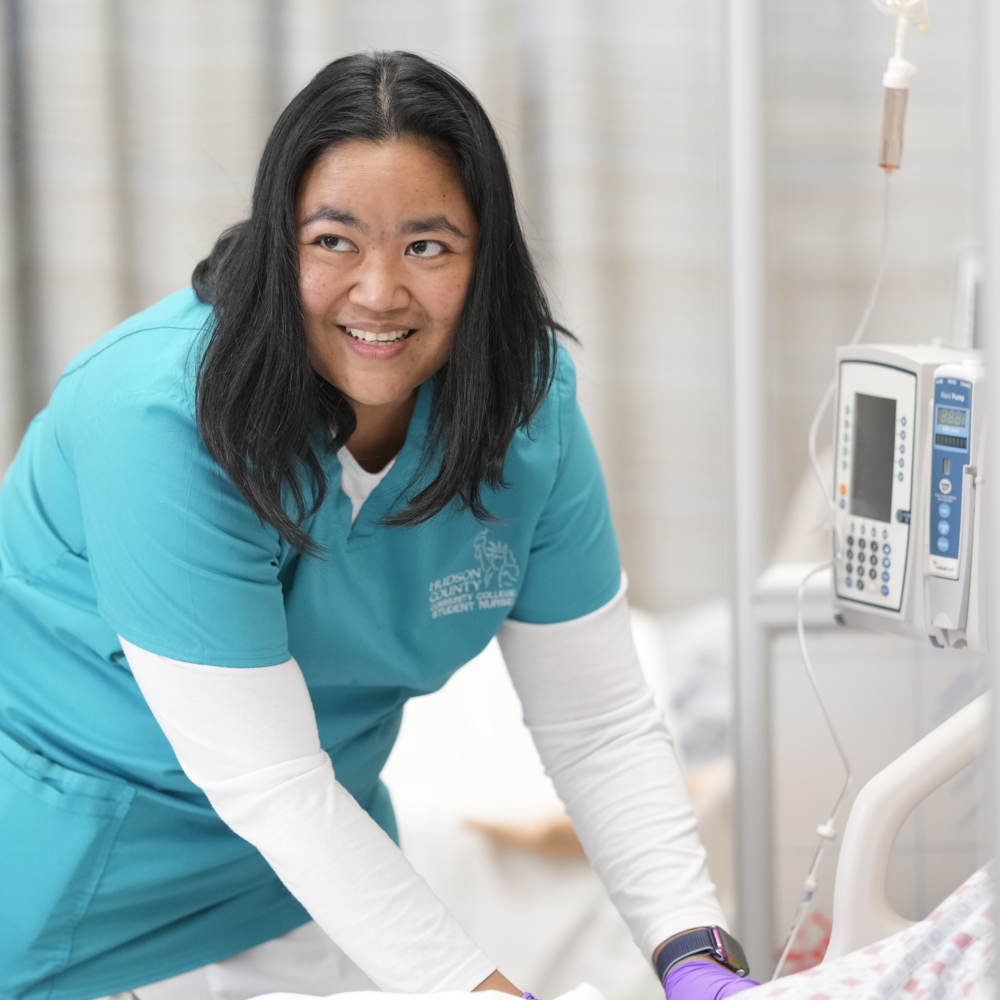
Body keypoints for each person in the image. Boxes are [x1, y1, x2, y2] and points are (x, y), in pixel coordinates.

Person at [0, 52, 758, 1000]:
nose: (379, 292)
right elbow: (269, 783)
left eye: (428, 246)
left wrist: (695, 953)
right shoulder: (156, 421)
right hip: (77, 891)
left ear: (487, 258)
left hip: (301, 885)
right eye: (333, 241)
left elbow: (597, 723)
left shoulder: (522, 407)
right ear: (281, 244)